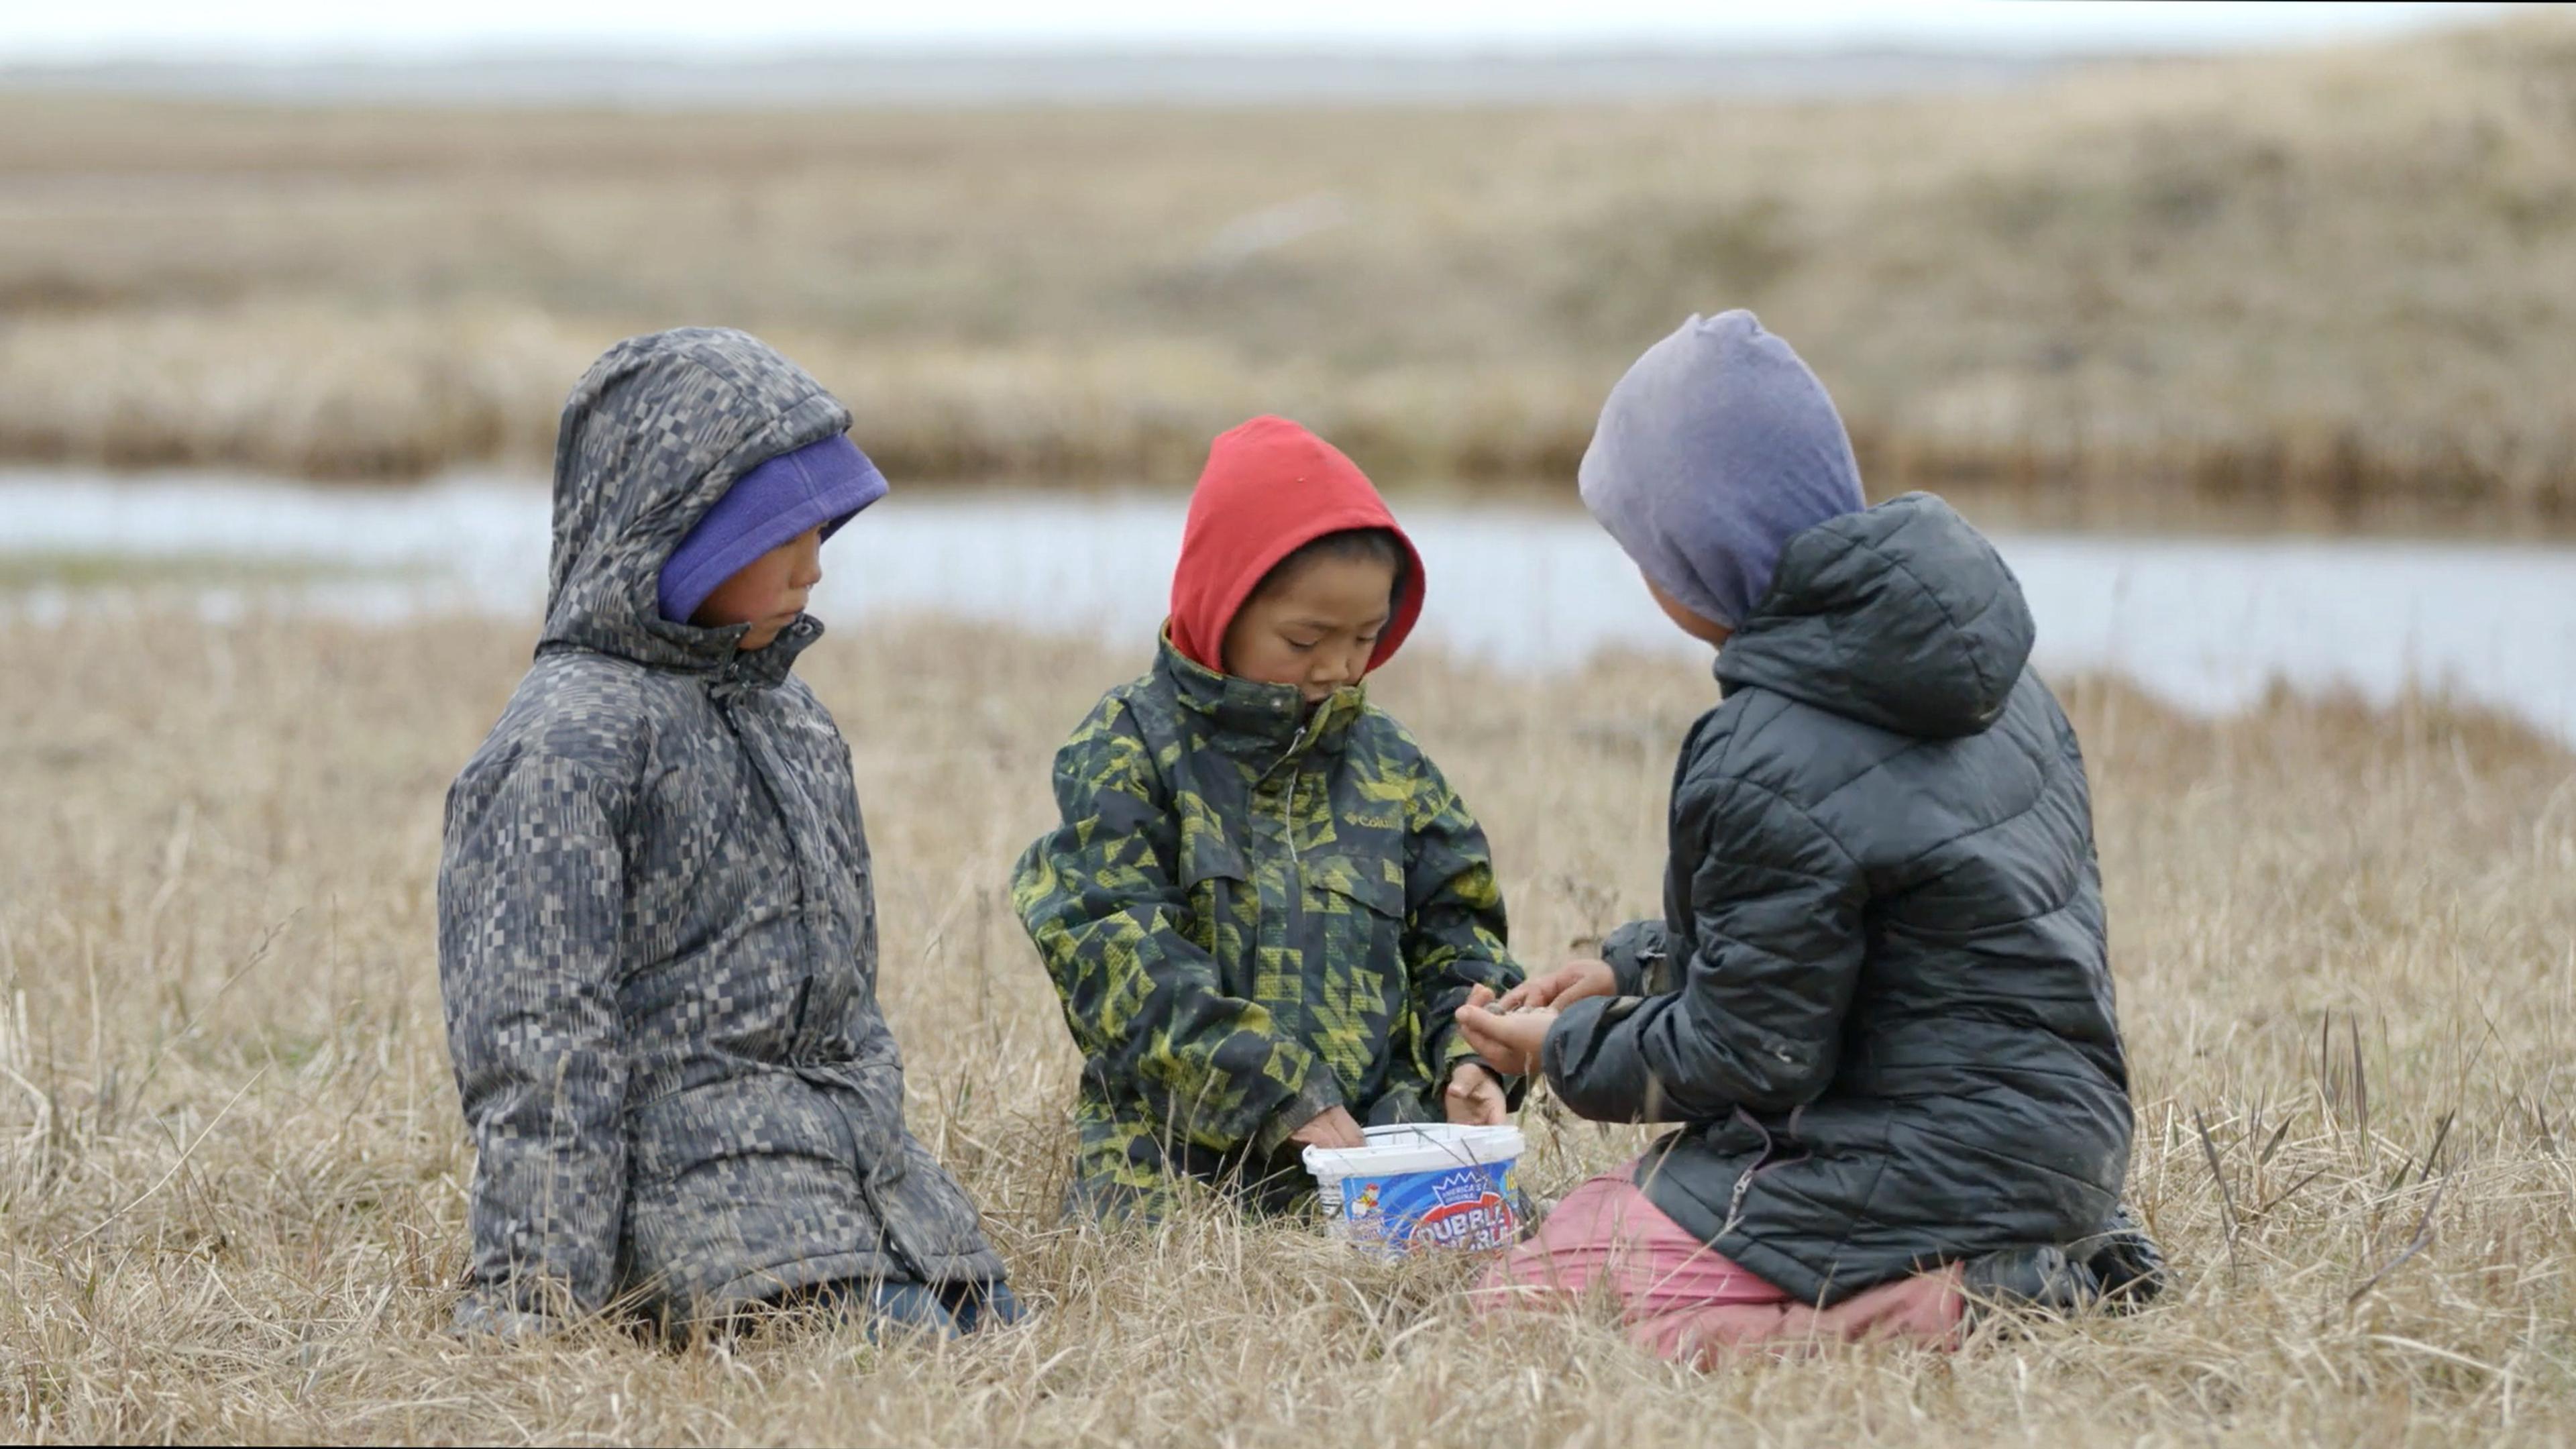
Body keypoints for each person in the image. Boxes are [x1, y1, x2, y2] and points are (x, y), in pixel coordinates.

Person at [1456, 311, 2161, 1360]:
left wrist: (1567, 1050)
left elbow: (1750, 1049)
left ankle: (1954, 1306)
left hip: (1908, 1166)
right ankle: (2018, 1261)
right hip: (2060, 1154)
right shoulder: (2003, 686)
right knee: (1613, 1222)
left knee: (1536, 1300)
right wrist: (1624, 970)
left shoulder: (1764, 749)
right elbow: (1844, 939)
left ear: (1697, 551)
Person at [437, 328, 1014, 1340]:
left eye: (821, 531)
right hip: (684, 1193)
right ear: (672, 540)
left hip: (844, 1174)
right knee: (909, 1350)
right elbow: (538, 1042)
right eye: (776, 536)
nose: (812, 569)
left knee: (990, 1325)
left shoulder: (792, 721)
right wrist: (535, 1301)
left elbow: (842, 995)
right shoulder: (567, 746)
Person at [1012, 416, 1526, 1220]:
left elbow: (1462, 936)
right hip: (1171, 1168)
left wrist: (1474, 1058)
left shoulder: (1393, 764)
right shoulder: (1127, 748)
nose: (1338, 666)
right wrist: (1281, 1093)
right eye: (1304, 638)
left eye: (1364, 636)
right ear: (1221, 608)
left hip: (1380, 1150)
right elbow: (1116, 960)